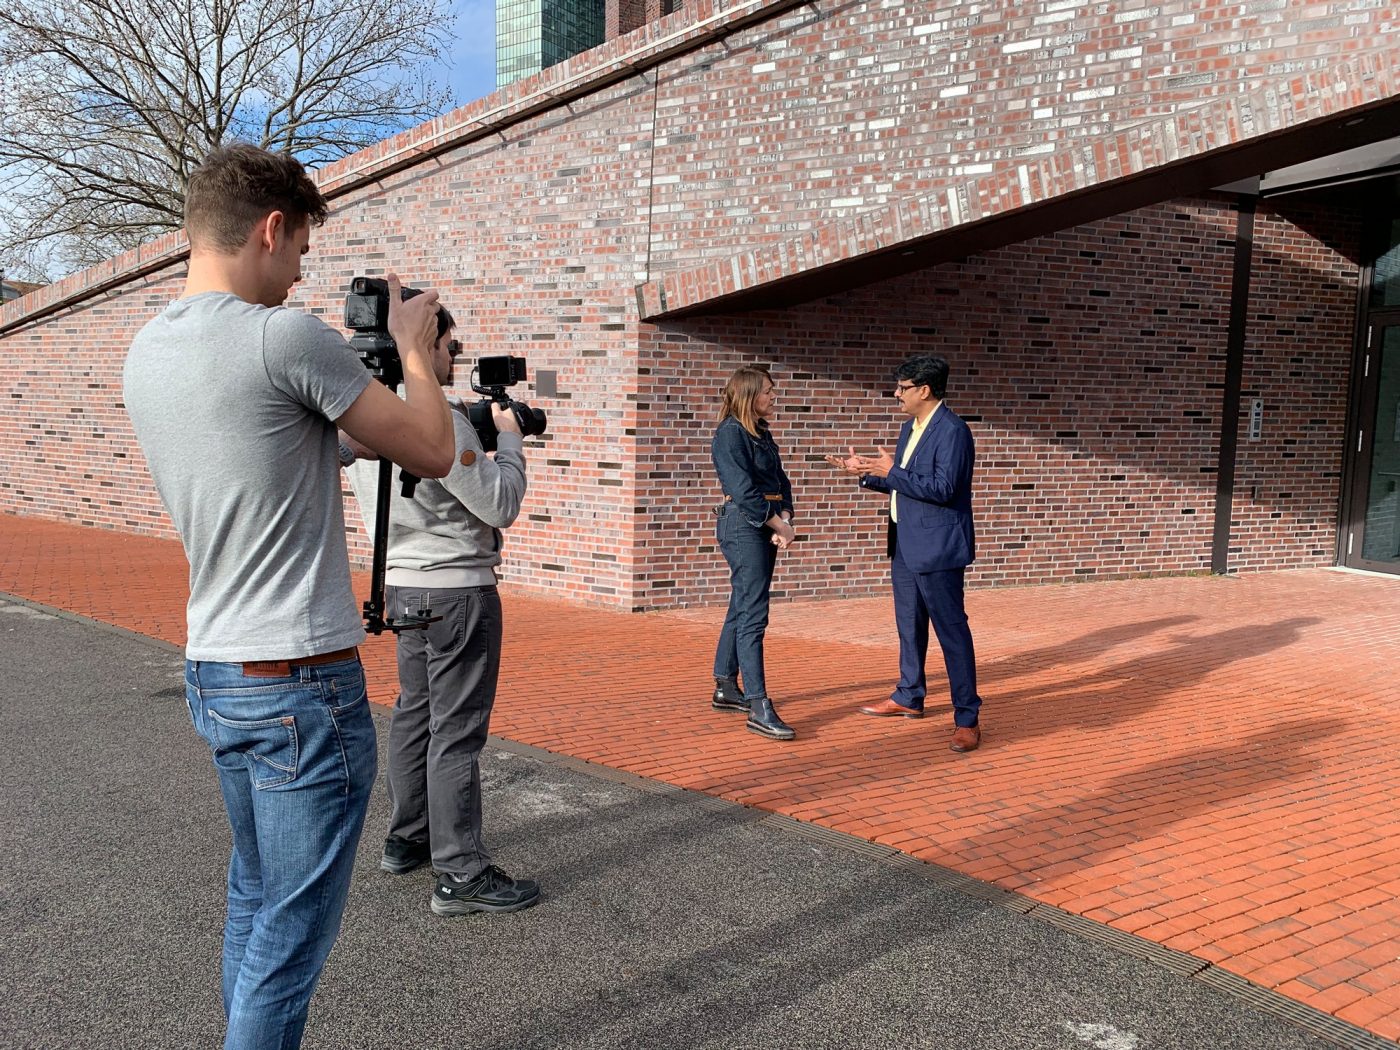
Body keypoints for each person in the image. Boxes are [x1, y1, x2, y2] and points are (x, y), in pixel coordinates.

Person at [122, 143, 455, 1050]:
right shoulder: (284, 338)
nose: (303, 270)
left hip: (218, 671)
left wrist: (359, 388)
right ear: (271, 229)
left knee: (256, 898)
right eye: (302, 248)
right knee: (290, 940)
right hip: (301, 686)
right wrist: (416, 353)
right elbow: (429, 450)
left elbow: (284, 451)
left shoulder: (147, 351)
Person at [343, 310, 540, 916]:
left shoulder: (366, 417)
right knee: (455, 730)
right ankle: (461, 873)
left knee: (414, 716)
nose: (458, 357)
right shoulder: (439, 421)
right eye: (452, 345)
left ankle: (409, 838)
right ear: (426, 345)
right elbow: (499, 504)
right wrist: (507, 439)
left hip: (403, 588)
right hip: (458, 593)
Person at [826, 355, 984, 753]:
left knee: (952, 632)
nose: (896, 394)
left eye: (902, 387)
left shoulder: (953, 432)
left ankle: (967, 718)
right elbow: (907, 485)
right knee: (908, 627)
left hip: (937, 550)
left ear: (925, 390)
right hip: (905, 546)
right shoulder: (908, 428)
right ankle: (909, 695)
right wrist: (866, 473)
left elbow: (943, 488)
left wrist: (891, 471)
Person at [710, 365, 798, 741]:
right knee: (753, 614)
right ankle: (759, 705)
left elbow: (780, 480)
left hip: (765, 524)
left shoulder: (760, 432)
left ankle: (726, 687)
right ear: (749, 395)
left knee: (743, 603)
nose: (773, 397)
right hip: (744, 525)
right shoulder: (730, 434)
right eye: (767, 391)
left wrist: (786, 517)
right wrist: (777, 524)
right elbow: (743, 490)